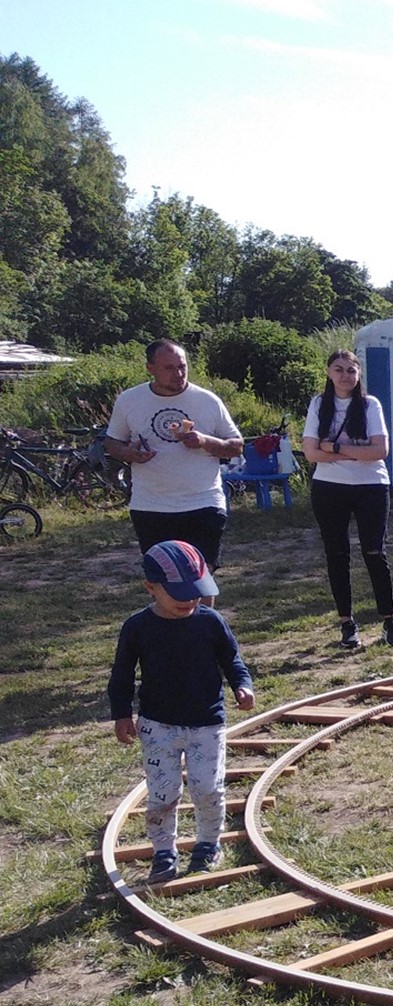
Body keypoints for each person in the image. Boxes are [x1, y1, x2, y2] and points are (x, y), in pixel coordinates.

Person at [108, 540, 255, 884]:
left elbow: (232, 660)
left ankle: (208, 845)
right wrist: (121, 714)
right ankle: (163, 851)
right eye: (181, 594)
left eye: (197, 592)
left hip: (207, 723)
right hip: (157, 725)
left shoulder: (211, 622)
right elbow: (122, 675)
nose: (190, 600)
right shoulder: (137, 627)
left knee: (208, 789)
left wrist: (242, 685)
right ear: (150, 587)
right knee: (162, 793)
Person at [103, 339, 244, 578]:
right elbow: (112, 442)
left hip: (203, 502)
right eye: (169, 368)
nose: (178, 374)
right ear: (150, 368)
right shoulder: (129, 400)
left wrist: (205, 441)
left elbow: (237, 446)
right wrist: (129, 453)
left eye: (182, 366)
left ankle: (202, 605)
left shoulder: (207, 400)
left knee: (201, 576)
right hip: (150, 505)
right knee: (163, 578)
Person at [303, 350, 393, 648]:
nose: (345, 375)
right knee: (337, 554)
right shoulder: (319, 404)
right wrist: (356, 453)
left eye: (351, 370)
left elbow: (380, 451)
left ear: (359, 374)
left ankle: (389, 621)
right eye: (338, 369)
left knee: (374, 551)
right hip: (329, 487)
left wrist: (336, 448)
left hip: (371, 486)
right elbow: (311, 453)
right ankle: (347, 624)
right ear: (328, 372)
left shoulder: (370, 405)